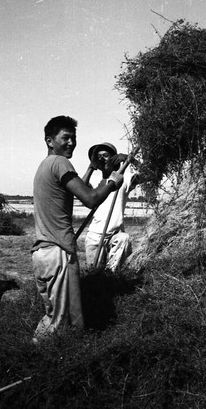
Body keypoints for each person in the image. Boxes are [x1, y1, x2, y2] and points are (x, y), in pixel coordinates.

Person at [32, 116, 124, 342]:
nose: (71, 143)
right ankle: (41, 364)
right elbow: (90, 198)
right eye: (66, 138)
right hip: (58, 253)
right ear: (50, 141)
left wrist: (93, 169)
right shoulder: (60, 162)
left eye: (74, 138)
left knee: (56, 319)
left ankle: (39, 358)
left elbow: (77, 188)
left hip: (43, 254)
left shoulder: (46, 165)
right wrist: (112, 181)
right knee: (60, 327)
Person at [83, 142, 140, 272]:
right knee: (94, 274)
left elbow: (150, 175)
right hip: (95, 235)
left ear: (115, 159)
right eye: (98, 157)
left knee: (123, 239)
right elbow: (81, 187)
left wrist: (131, 160)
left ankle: (113, 279)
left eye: (106, 155)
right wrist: (91, 167)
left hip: (115, 233)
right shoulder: (96, 179)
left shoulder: (124, 179)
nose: (102, 159)